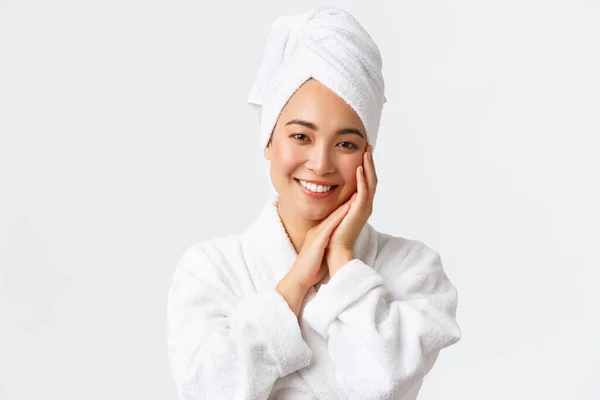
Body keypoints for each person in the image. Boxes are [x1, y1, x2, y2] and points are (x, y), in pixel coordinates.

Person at [167, 6, 461, 400]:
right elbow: (207, 390)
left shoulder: (413, 269)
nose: (321, 164)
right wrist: (296, 282)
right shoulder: (210, 270)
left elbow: (382, 384)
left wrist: (342, 260)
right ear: (268, 141)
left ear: (368, 155)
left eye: (345, 144)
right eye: (301, 137)